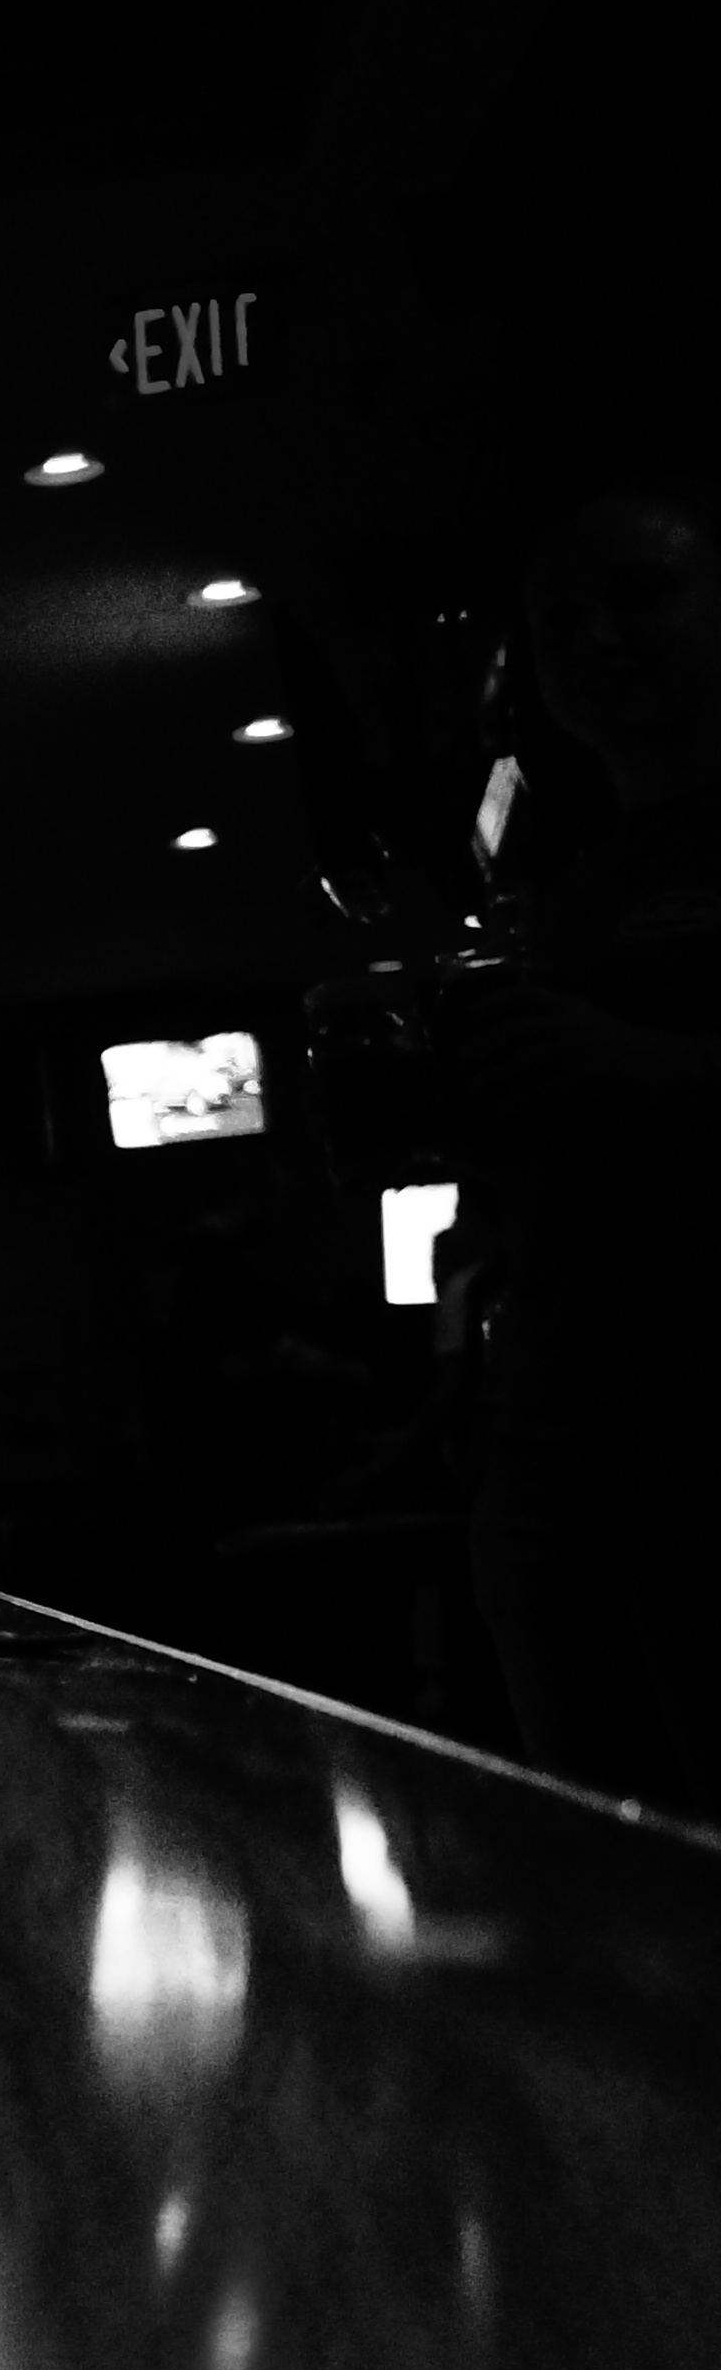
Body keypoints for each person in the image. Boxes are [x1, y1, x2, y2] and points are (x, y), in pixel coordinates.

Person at [441, 472, 721, 1810]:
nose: (600, 639)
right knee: (600, 1855)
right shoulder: (575, 877)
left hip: (702, 1430)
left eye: (643, 594)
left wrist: (638, 1069)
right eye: (560, 621)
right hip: (558, 1434)